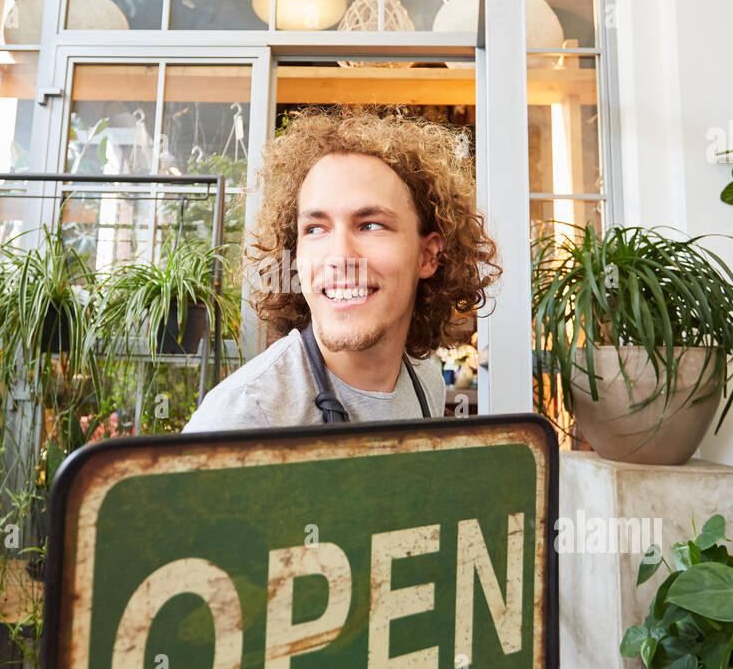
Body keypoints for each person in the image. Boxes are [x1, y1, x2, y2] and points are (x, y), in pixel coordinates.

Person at [182, 107, 501, 433]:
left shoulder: (424, 380)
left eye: (371, 225)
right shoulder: (244, 416)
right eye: (316, 229)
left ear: (427, 256)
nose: (340, 256)